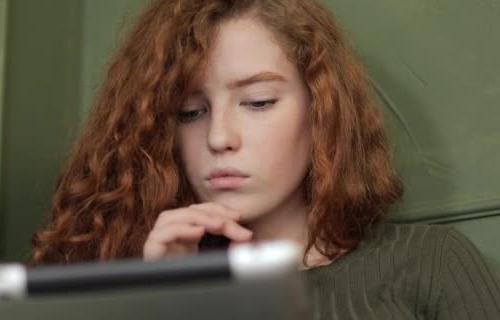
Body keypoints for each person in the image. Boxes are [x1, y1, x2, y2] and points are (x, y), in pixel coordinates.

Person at [32, 0, 500, 318]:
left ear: (322, 111)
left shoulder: (430, 264)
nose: (219, 137)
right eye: (190, 112)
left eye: (257, 102)